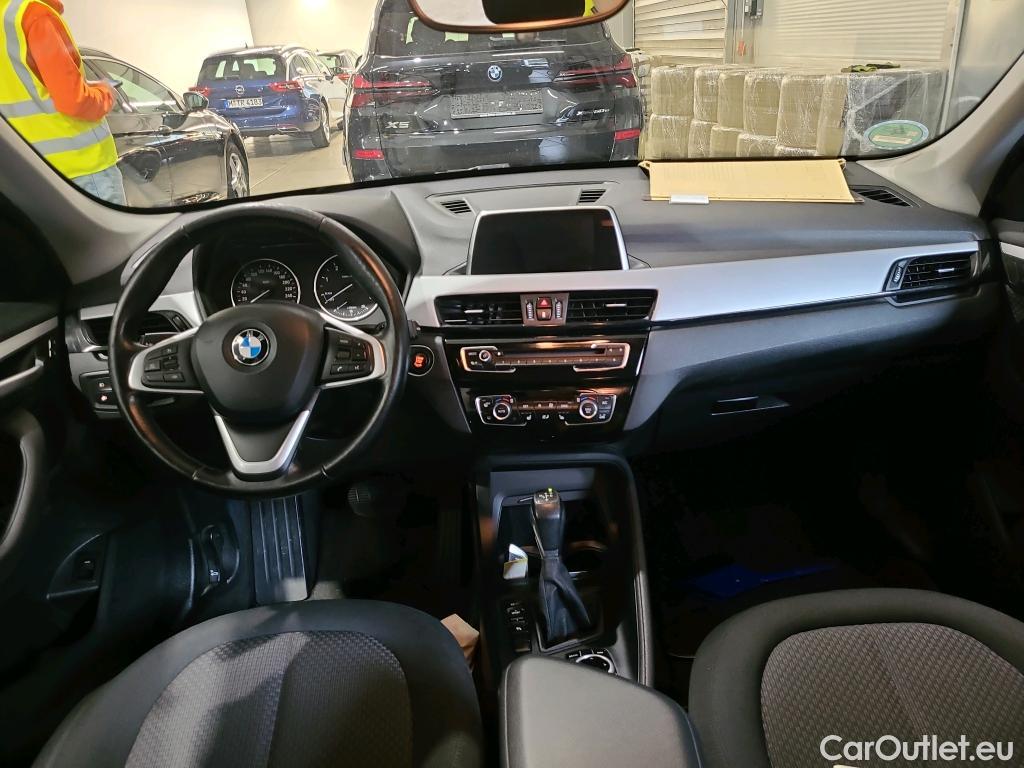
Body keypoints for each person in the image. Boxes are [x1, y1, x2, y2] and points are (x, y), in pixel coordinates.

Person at [0, 0, 125, 204]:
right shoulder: (33, 15)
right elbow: (75, 102)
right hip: (82, 168)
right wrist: (105, 92)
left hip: (23, 173)